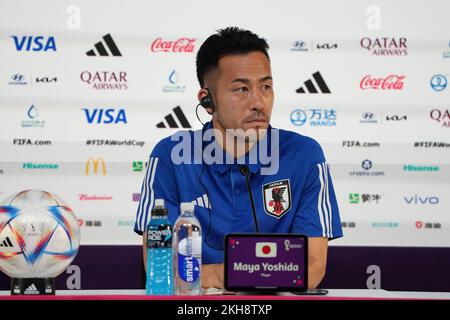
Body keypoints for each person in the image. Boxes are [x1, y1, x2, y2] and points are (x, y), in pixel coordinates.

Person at [134, 27, 342, 290]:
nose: (258, 102)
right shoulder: (169, 157)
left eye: (265, 86)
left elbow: (311, 267)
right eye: (242, 89)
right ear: (207, 100)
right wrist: (245, 272)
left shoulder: (304, 155)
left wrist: (211, 275)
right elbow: (160, 270)